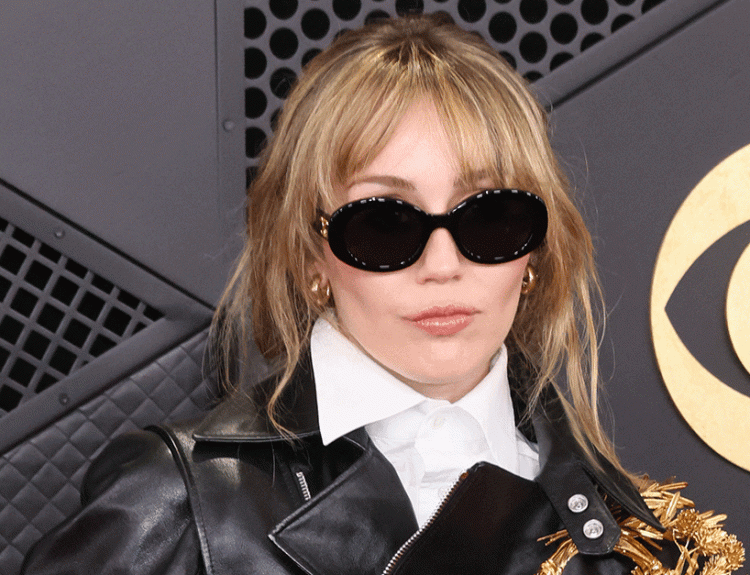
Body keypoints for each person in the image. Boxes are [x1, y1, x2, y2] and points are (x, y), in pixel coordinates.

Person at [22, 13, 743, 575]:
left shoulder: (639, 543)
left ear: (531, 255)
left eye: (489, 218)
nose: (442, 264)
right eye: (384, 223)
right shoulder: (177, 507)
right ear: (311, 256)